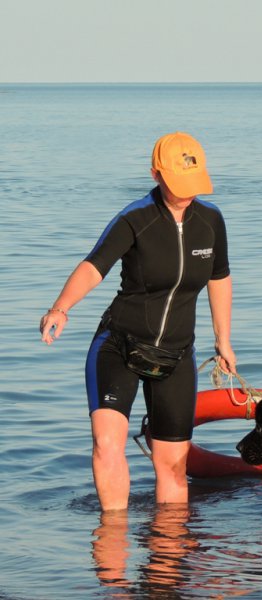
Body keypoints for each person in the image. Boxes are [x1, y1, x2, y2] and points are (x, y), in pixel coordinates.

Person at [39, 132, 236, 511]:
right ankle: (112, 549)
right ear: (156, 174)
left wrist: (223, 338)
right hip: (120, 347)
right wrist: (61, 308)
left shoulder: (210, 221)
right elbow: (94, 265)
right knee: (108, 443)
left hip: (177, 354)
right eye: (179, 184)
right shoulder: (135, 219)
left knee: (173, 465)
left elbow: (219, 276)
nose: (187, 193)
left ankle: (168, 560)